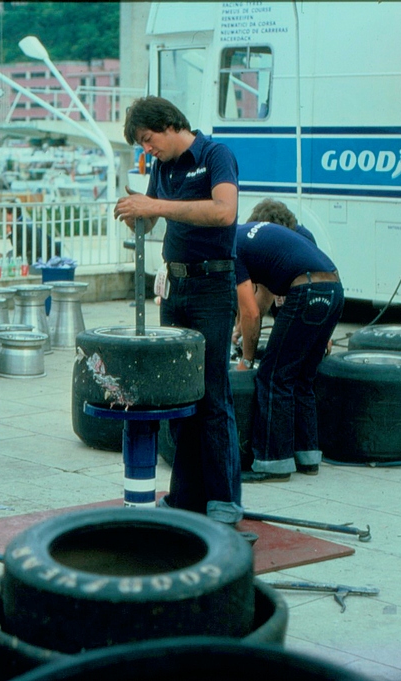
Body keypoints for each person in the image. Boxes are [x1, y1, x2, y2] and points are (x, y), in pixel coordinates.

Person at [113, 96, 243, 527]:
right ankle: (186, 496)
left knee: (212, 392)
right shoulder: (163, 168)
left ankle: (224, 500)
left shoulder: (214, 155)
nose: (147, 150)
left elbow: (225, 212)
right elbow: (150, 219)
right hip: (176, 286)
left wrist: (156, 207)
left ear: (169, 125)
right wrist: (135, 211)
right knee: (179, 391)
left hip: (211, 285)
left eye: (148, 140)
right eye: (142, 145)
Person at [234, 201, 344, 481]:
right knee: (302, 378)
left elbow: (251, 311)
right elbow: (264, 296)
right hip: (335, 289)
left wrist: (246, 360)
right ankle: (307, 457)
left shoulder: (230, 247)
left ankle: (274, 462)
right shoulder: (267, 237)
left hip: (305, 290)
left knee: (273, 377)